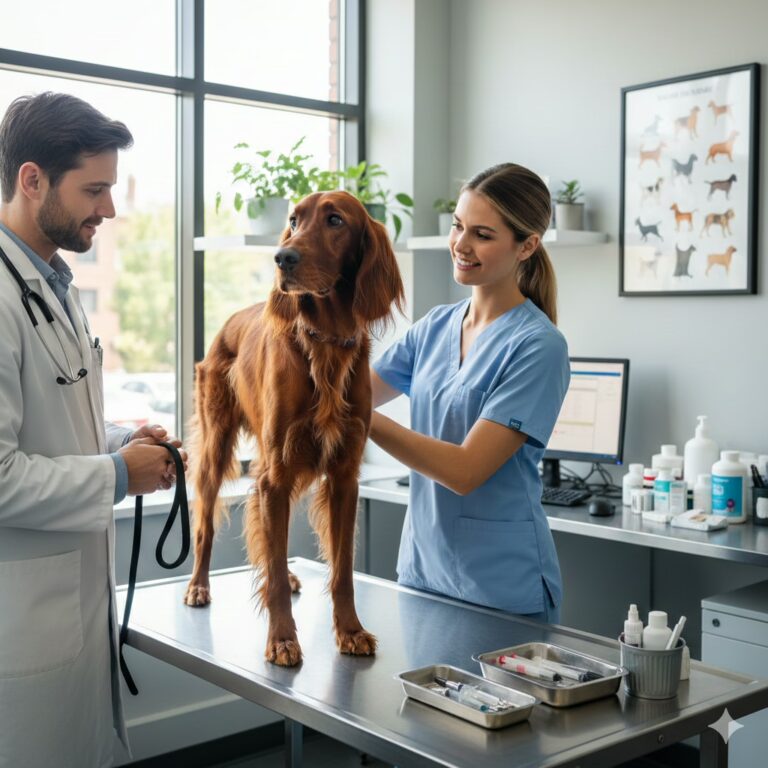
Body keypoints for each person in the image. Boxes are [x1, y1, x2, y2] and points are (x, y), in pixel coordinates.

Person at [0, 92, 186, 768]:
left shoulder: (49, 283)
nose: (109, 208)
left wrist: (119, 440)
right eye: (95, 189)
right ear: (31, 179)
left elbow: (50, 420)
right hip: (21, 624)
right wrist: (116, 474)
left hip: (67, 610)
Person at [369, 163, 570, 623]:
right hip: (423, 572)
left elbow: (465, 470)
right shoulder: (435, 325)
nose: (461, 244)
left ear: (527, 245)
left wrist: (359, 419)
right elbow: (350, 394)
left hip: (501, 584)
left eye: (482, 234)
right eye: (458, 226)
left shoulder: (538, 346)